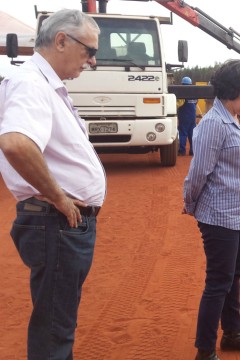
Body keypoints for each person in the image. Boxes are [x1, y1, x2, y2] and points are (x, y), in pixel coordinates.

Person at [0, 9, 106, 359]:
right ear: (61, 40)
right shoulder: (31, 83)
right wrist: (59, 197)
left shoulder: (44, 84)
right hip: (56, 222)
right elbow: (16, 142)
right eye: (89, 51)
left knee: (58, 322)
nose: (91, 61)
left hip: (59, 223)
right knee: (54, 329)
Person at [183, 59, 240, 360]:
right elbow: (198, 174)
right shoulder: (213, 125)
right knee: (218, 281)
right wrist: (191, 205)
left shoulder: (239, 119)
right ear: (232, 90)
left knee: (234, 276)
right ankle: (204, 351)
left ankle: (232, 334)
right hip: (219, 215)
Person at [178, 76, 198, 156]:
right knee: (192, 133)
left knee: (183, 133)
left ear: (182, 84)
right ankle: (192, 151)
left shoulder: (182, 93)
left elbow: (179, 104)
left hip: (184, 116)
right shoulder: (194, 93)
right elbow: (196, 103)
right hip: (192, 116)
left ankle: (182, 150)